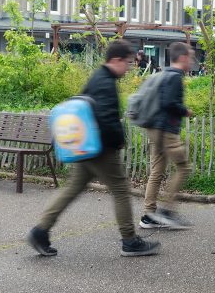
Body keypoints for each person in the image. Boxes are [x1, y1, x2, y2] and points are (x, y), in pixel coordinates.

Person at [28, 40, 160, 257]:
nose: (129, 68)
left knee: (72, 188)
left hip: (84, 145)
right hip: (101, 148)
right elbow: (108, 119)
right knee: (120, 189)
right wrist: (119, 141)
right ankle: (129, 241)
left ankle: (40, 231)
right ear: (116, 60)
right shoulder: (106, 83)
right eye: (127, 63)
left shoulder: (97, 77)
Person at [140, 42, 194, 229]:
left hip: (155, 128)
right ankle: (167, 211)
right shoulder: (174, 77)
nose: (192, 61)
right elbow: (169, 103)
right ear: (183, 58)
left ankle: (148, 215)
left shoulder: (165, 74)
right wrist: (184, 111)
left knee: (157, 171)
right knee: (184, 167)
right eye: (190, 57)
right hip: (165, 130)